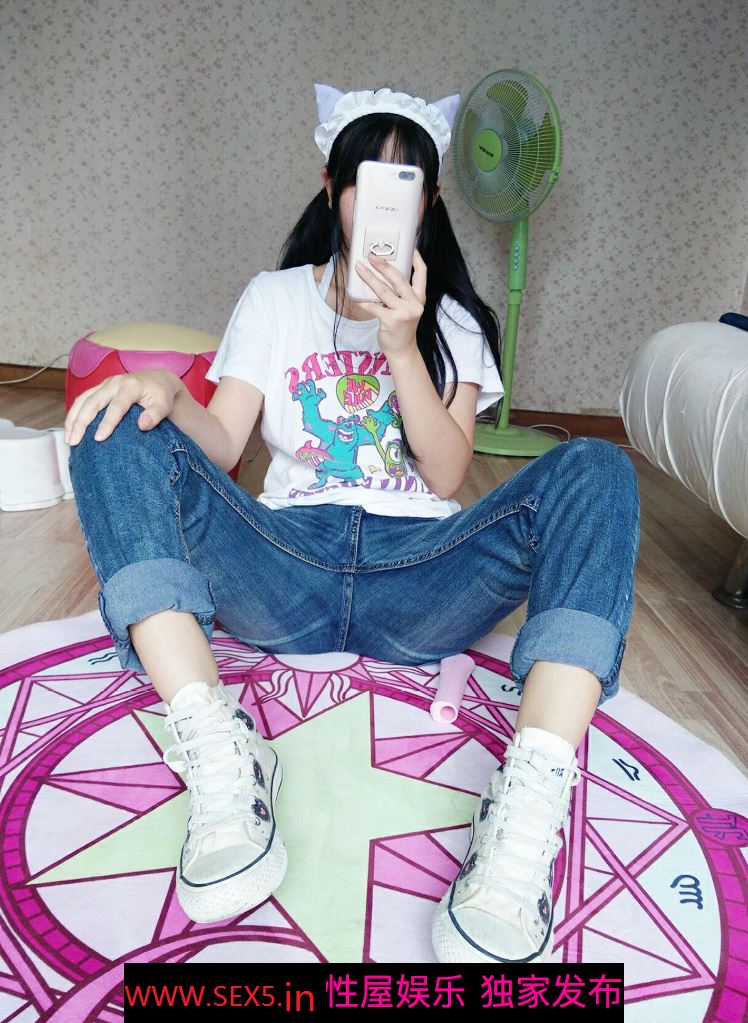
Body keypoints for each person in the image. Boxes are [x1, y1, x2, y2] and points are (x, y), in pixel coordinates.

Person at [64, 82, 640, 965]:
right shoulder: (274, 297)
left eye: (406, 186)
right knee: (114, 420)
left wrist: (404, 344)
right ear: (333, 188)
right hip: (283, 565)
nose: (383, 205)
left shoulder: (451, 320)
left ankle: (528, 804)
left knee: (597, 466)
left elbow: (446, 472)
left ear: (429, 203)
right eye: (367, 181)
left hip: (425, 576)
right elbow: (223, 447)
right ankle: (218, 745)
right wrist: (168, 393)